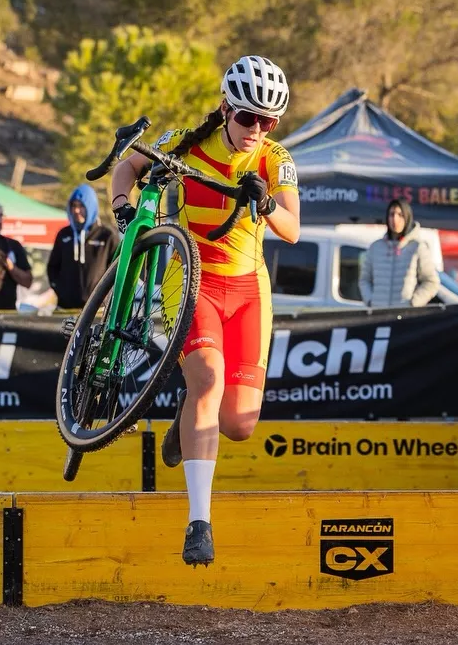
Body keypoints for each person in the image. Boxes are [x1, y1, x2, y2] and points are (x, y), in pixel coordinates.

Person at [108, 55, 300, 566]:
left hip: (248, 290)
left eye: (268, 121)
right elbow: (128, 164)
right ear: (226, 108)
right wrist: (122, 204)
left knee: (238, 424)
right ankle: (199, 522)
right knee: (208, 380)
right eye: (247, 118)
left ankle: (187, 421)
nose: (257, 129)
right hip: (192, 281)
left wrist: (266, 203)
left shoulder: (275, 158)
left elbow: (293, 228)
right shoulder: (188, 144)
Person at [47, 184, 119, 310]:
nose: (76, 210)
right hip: (65, 309)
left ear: (90, 207)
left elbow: (117, 270)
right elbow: (52, 267)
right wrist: (59, 290)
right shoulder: (64, 234)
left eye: (81, 206)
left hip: (97, 311)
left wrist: (106, 294)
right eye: (73, 206)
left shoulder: (107, 235)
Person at [358, 199, 439, 308]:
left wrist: (413, 303)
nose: (395, 219)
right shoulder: (375, 248)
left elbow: (431, 282)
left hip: (404, 317)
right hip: (378, 315)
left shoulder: (417, 247)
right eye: (391, 214)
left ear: (407, 217)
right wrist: (370, 301)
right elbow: (364, 280)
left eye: (400, 215)